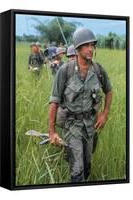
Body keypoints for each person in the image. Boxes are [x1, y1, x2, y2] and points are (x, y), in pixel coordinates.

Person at [48, 28, 113, 183]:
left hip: (91, 126)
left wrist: (105, 113)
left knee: (87, 165)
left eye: (92, 45)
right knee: (77, 170)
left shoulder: (98, 70)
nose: (90, 49)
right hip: (72, 126)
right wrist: (52, 131)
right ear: (77, 48)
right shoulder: (65, 71)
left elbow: (109, 91)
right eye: (86, 46)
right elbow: (54, 101)